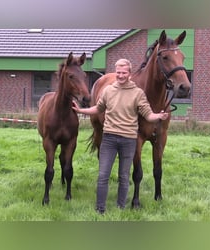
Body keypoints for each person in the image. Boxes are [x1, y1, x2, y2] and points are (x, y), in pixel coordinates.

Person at [72, 58, 168, 214]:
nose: (121, 75)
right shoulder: (108, 90)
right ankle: (100, 209)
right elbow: (98, 108)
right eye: (118, 72)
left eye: (124, 72)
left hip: (129, 140)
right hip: (109, 138)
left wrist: (158, 116)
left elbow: (147, 114)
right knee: (103, 175)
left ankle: (120, 208)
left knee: (124, 176)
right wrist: (81, 111)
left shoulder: (138, 93)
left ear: (129, 74)